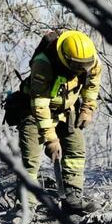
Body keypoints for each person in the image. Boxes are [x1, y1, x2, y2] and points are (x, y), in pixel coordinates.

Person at [13, 29, 102, 213]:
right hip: (34, 112)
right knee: (31, 161)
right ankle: (27, 209)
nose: (81, 70)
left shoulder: (90, 59)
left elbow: (92, 84)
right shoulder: (44, 63)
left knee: (76, 149)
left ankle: (73, 199)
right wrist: (51, 139)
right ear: (66, 58)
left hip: (66, 111)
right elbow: (40, 105)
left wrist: (87, 108)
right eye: (77, 67)